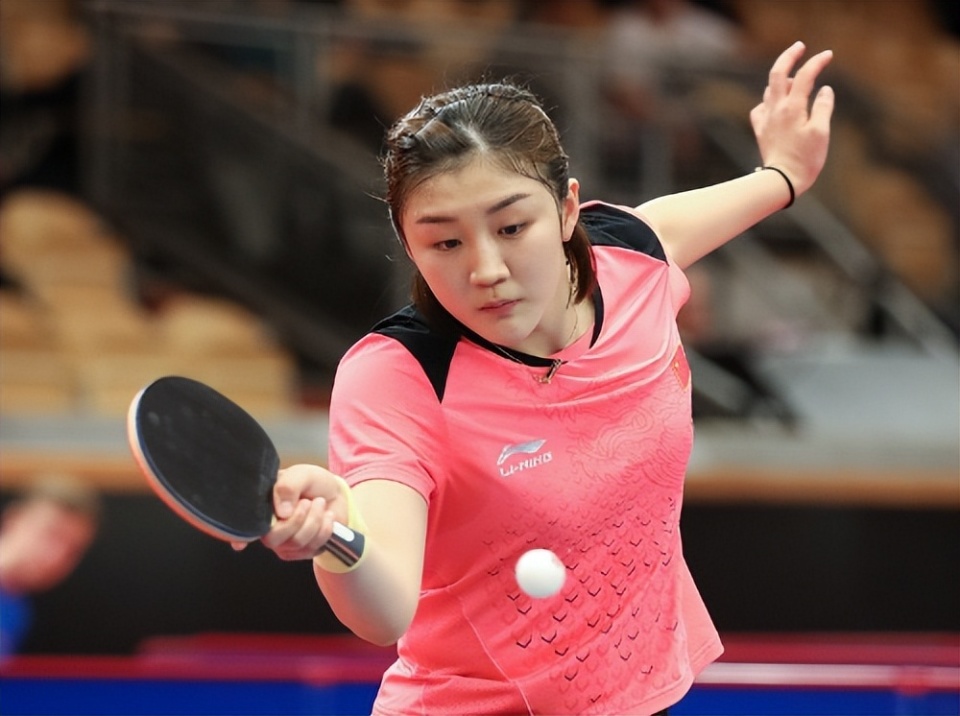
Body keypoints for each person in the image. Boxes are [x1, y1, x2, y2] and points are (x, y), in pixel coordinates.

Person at [237, 40, 834, 715]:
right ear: (407, 243)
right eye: (445, 242)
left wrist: (785, 172)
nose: (486, 269)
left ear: (567, 210)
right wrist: (334, 536)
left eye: (513, 226)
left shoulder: (632, 258)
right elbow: (384, 612)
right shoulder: (400, 375)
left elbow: (706, 210)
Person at [0, 474, 100, 658]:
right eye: (51, 534)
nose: (56, 557)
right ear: (13, 519)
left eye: (72, 550)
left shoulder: (17, 613)